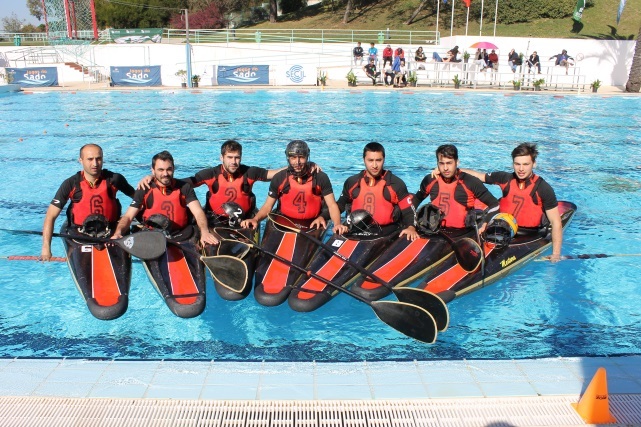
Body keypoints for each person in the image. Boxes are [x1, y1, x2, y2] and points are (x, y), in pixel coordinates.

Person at [459, 143, 563, 262]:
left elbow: (556, 222)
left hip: (527, 235)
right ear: (512, 164)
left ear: (534, 164)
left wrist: (556, 254)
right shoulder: (505, 178)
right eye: (517, 164)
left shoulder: (543, 188)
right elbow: (478, 176)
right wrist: (455, 170)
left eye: (526, 164)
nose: (521, 169)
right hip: (500, 228)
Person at [41, 144, 136, 261]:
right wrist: (46, 247)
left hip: (111, 231)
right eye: (90, 159)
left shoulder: (115, 179)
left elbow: (138, 199)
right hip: (79, 233)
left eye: (98, 159)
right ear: (81, 160)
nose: (95, 164)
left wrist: (149, 179)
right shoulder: (71, 184)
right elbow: (50, 216)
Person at [112, 151, 218, 247]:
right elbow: (128, 216)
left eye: (169, 169)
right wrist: (118, 233)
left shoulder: (184, 187)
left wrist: (205, 232)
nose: (165, 174)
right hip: (153, 236)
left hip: (181, 235)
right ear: (153, 170)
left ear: (174, 168)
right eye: (161, 170)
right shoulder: (144, 189)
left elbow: (198, 212)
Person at [241, 140, 347, 234]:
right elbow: (268, 206)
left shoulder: (320, 178)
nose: (297, 162)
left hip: (313, 222)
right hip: (284, 221)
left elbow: (332, 205)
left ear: (307, 157)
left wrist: (337, 224)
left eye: (301, 157)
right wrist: (255, 219)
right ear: (288, 158)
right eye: (293, 158)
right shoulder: (279, 178)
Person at [337, 142, 418, 241]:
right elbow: (339, 205)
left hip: (387, 232)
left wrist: (411, 228)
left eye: (378, 160)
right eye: (370, 160)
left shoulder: (396, 184)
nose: (374, 165)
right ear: (364, 160)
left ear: (384, 159)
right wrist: (332, 221)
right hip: (355, 229)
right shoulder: (352, 182)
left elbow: (409, 211)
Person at [415, 144, 499, 232]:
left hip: (462, 234)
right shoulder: (430, 180)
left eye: (449, 163)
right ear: (437, 164)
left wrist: (485, 224)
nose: (445, 168)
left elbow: (495, 204)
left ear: (457, 162)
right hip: (433, 232)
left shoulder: (470, 182)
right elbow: (415, 201)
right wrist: (411, 226)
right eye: (442, 163)